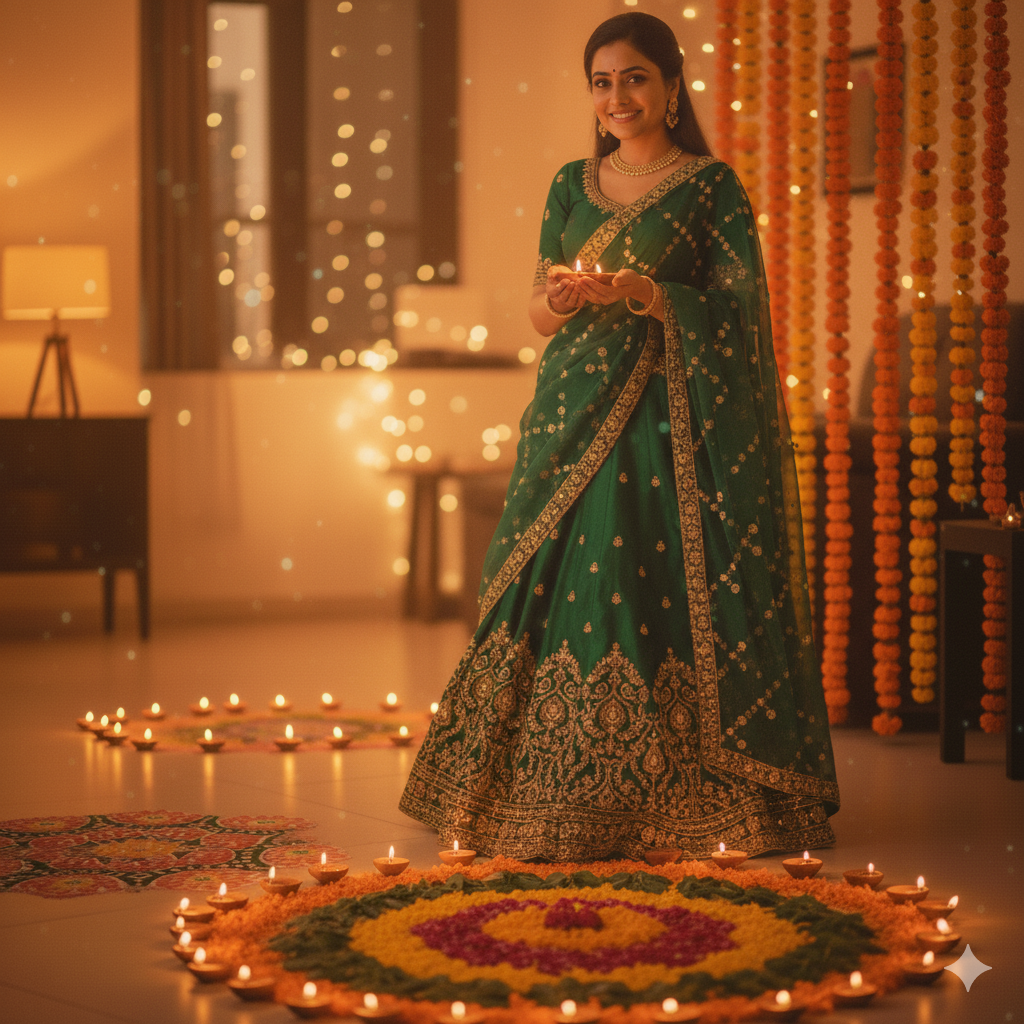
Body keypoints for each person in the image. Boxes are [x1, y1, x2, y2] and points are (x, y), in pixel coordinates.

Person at [399, 11, 840, 861]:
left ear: (672, 86)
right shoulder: (573, 182)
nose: (617, 97)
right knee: (543, 581)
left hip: (671, 430)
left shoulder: (711, 188)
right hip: (570, 412)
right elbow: (536, 309)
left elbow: (743, 316)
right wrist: (562, 300)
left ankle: (687, 798)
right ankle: (538, 793)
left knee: (645, 583)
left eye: (634, 78)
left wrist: (650, 293)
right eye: (602, 83)